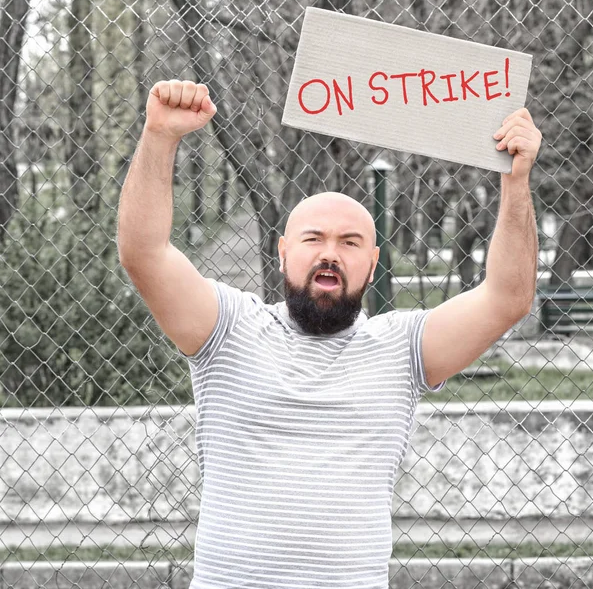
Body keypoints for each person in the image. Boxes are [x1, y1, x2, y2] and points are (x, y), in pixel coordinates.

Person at [117, 79, 541, 589]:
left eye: (350, 242)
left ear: (373, 262)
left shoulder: (402, 349)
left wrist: (516, 182)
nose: (330, 253)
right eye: (313, 238)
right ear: (282, 251)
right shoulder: (226, 328)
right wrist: (160, 136)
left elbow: (508, 298)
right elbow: (145, 254)